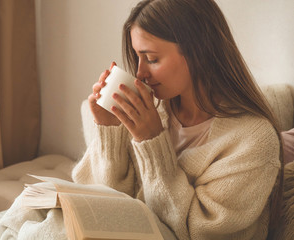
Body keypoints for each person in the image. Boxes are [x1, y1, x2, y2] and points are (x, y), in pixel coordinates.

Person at [72, 0, 284, 239]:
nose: (140, 73)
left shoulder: (252, 140)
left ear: (199, 52)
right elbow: (97, 202)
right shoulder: (152, 111)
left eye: (151, 58)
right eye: (137, 57)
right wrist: (109, 132)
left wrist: (152, 142)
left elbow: (198, 232)